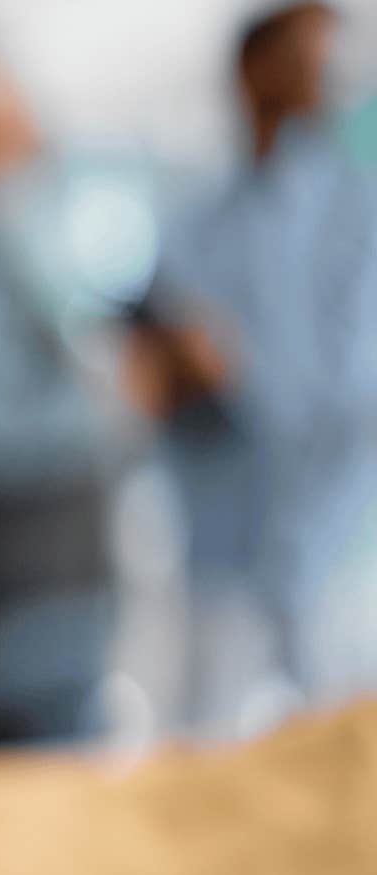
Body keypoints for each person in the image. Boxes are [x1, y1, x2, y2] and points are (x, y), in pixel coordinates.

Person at [0, 56, 189, 746]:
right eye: (15, 122)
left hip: (26, 612)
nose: (37, 141)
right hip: (8, 621)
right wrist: (107, 410)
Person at [153, 1, 377, 728]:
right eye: (302, 62)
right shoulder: (195, 221)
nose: (321, 81)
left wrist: (235, 369)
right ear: (249, 75)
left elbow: (350, 386)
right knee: (209, 773)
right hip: (221, 548)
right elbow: (158, 383)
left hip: (336, 550)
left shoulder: (359, 211)